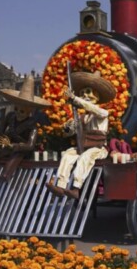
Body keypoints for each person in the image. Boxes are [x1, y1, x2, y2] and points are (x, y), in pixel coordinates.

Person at [47, 70, 116, 200]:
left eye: (88, 91)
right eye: (82, 92)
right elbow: (71, 132)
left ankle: (76, 188)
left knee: (86, 157)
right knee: (68, 154)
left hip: (98, 148)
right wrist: (68, 128)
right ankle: (61, 186)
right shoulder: (82, 116)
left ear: (97, 95)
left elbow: (92, 108)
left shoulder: (102, 112)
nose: (85, 95)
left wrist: (75, 99)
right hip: (84, 145)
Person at [0, 76, 50, 192]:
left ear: (29, 111)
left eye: (22, 111)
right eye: (17, 109)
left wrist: (13, 146)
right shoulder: (10, 116)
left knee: (14, 159)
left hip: (20, 151)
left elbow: (30, 145)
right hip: (5, 147)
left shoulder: (32, 125)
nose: (19, 113)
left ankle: (4, 178)